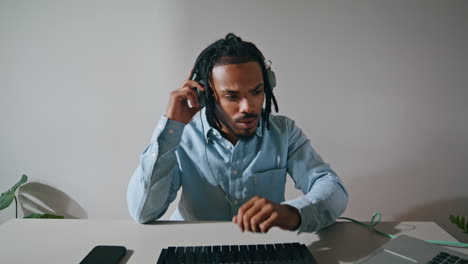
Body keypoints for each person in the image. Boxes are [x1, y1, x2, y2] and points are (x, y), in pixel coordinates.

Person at [127, 33, 348, 233]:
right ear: (208, 96)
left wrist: (292, 213)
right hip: (194, 248)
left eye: (257, 91)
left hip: (260, 249)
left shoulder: (284, 132)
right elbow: (143, 213)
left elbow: (332, 190)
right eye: (232, 96)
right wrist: (171, 127)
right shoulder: (181, 137)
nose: (248, 107)